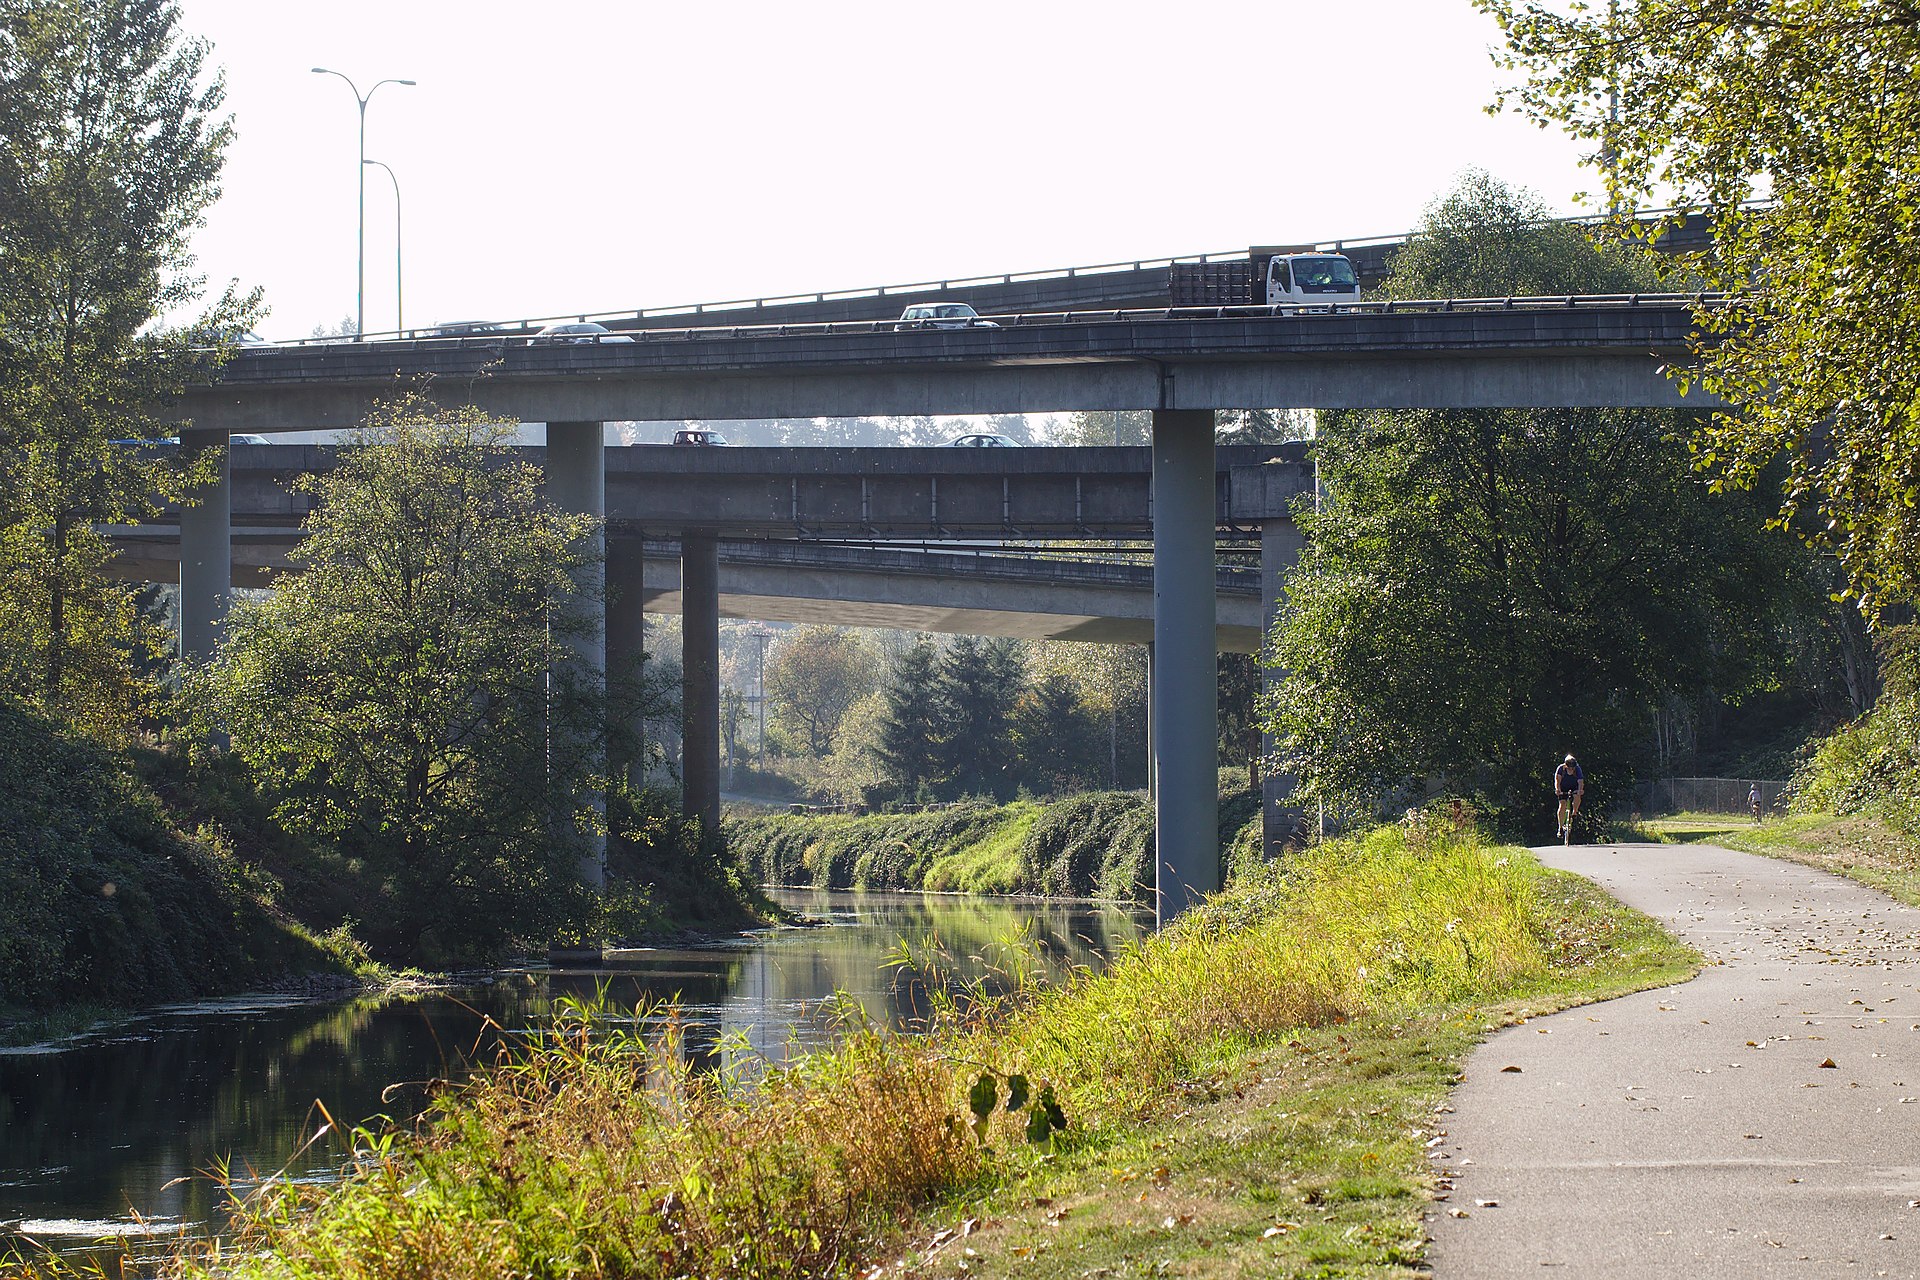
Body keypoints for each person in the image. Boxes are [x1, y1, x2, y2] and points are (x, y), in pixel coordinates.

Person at [1554, 754, 1585, 841]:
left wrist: (1580, 790)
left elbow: (1580, 782)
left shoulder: (1577, 769)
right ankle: (1560, 827)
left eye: (1573, 767)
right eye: (1569, 767)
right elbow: (1557, 780)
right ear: (1565, 765)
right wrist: (1557, 790)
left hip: (1574, 786)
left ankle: (1574, 812)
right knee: (1562, 804)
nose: (1571, 769)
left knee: (1577, 796)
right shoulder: (1560, 769)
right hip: (1563, 787)